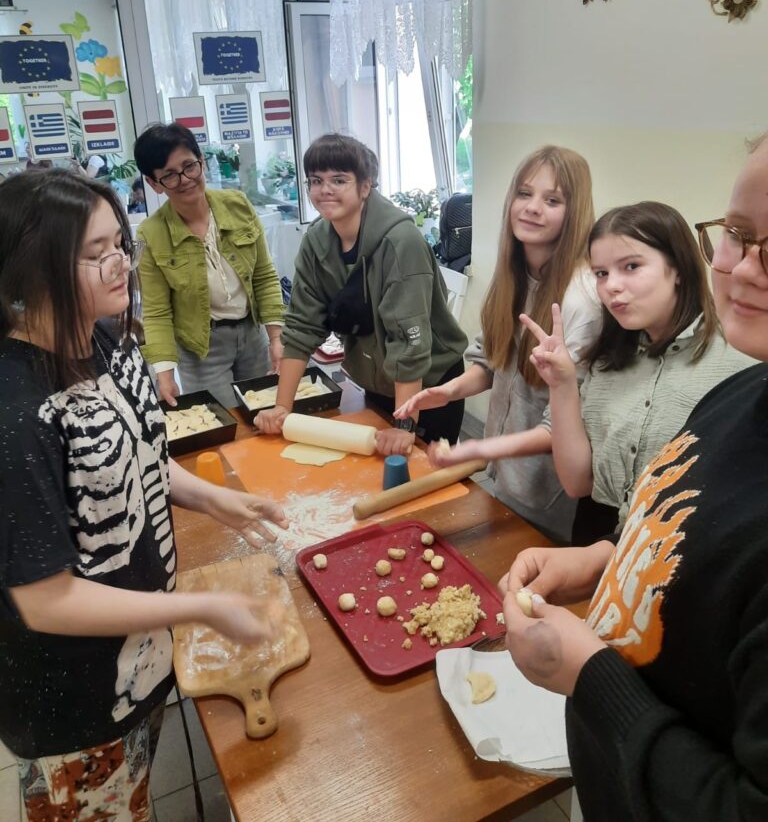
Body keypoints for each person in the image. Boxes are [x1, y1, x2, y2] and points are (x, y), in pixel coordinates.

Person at [0, 169, 287, 819]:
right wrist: (202, 607)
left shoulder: (107, 339)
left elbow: (140, 457)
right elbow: (45, 600)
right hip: (75, 704)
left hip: (145, 654)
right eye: (95, 253)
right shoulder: (16, 414)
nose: (121, 264)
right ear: (31, 270)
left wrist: (213, 498)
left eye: (119, 244)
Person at [500, 135, 768, 821]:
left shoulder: (727, 365)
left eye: (632, 266)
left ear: (676, 267)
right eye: (737, 234)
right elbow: (693, 542)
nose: (741, 267)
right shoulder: (738, 398)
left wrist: (591, 676)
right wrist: (609, 559)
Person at [396, 145, 601, 541]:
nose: (533, 208)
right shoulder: (515, 275)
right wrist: (449, 391)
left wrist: (478, 450)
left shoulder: (581, 302)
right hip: (503, 476)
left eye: (552, 200)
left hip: (549, 494)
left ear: (574, 212)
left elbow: (560, 426)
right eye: (524, 194)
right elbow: (492, 361)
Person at [518, 202, 753, 543]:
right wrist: (562, 385)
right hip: (593, 538)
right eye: (601, 273)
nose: (611, 286)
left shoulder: (738, 362)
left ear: (678, 269)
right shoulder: (608, 358)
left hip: (681, 548)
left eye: (631, 266)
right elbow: (577, 483)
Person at [255, 133, 468, 454]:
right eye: (316, 180)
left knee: (421, 474)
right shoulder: (316, 240)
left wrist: (405, 426)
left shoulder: (401, 243)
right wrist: (282, 408)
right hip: (377, 377)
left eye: (339, 180)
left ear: (366, 186)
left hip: (428, 387)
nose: (325, 189)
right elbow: (301, 327)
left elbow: (408, 343)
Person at [135, 123, 285, 408]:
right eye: (169, 175)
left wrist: (276, 337)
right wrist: (164, 373)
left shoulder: (238, 205)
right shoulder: (151, 234)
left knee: (266, 412)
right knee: (224, 420)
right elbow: (157, 311)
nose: (185, 180)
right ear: (154, 183)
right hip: (202, 349)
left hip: (252, 335)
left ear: (201, 162)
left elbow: (264, 276)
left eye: (189, 166)